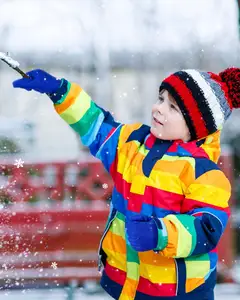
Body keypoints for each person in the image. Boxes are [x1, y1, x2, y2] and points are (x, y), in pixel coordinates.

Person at [12, 67, 239, 300]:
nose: (159, 109)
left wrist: (161, 233)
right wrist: (60, 91)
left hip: (177, 291)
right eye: (161, 99)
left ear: (196, 127)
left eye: (173, 107)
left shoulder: (204, 173)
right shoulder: (132, 143)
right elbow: (96, 125)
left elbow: (207, 228)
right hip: (126, 283)